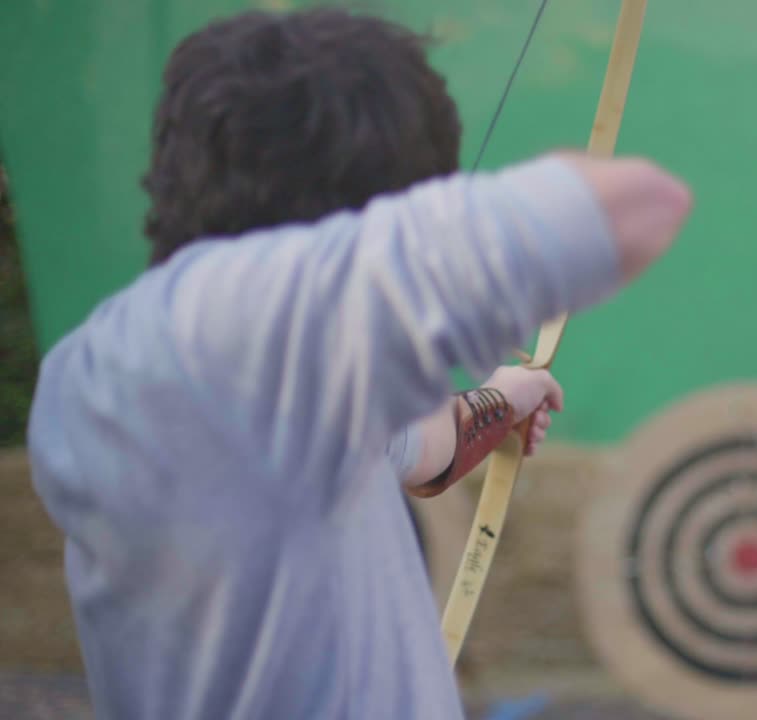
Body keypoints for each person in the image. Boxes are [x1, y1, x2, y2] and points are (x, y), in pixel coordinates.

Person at [26, 8, 690, 720]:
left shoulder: (150, 369)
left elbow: (417, 448)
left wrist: (502, 400)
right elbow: (635, 206)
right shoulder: (230, 335)